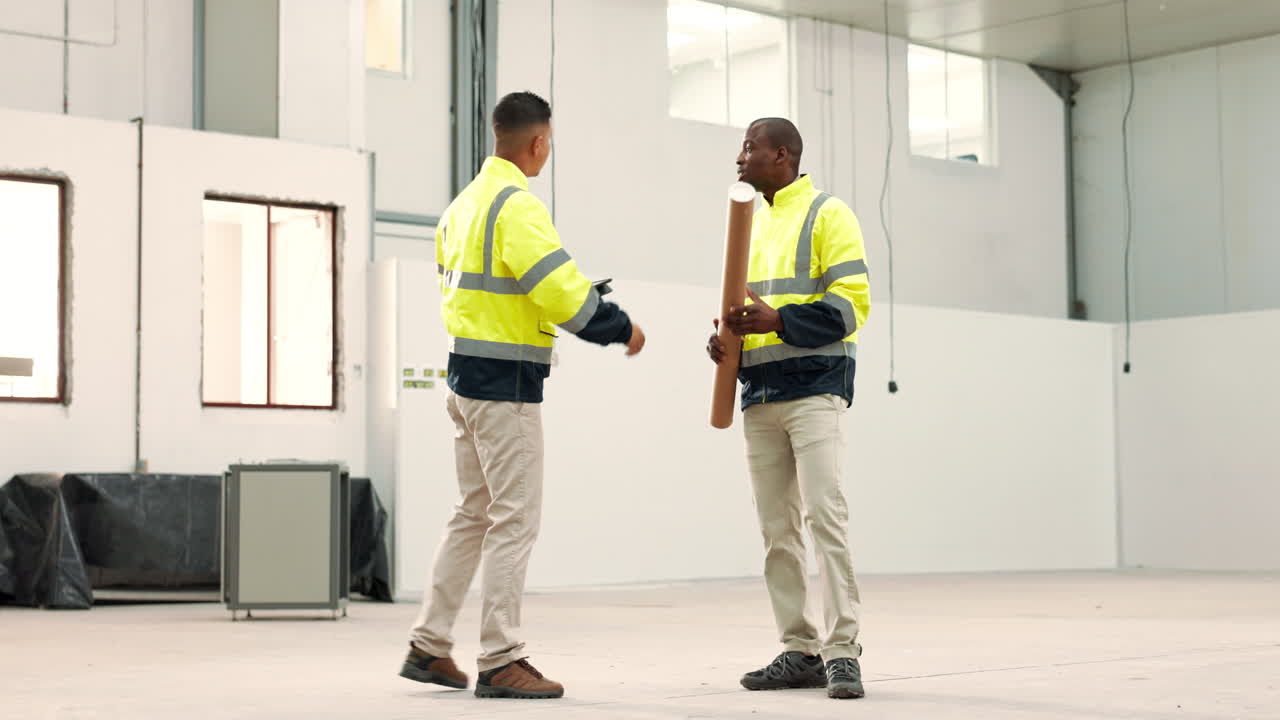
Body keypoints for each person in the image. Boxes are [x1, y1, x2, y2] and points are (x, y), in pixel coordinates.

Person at [399, 91, 645, 700]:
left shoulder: (461, 208)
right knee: (514, 520)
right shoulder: (518, 207)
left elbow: (492, 291)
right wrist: (621, 327)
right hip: (506, 390)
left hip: (464, 380)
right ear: (538, 142)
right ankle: (501, 656)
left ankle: (429, 644)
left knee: (473, 514)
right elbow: (561, 293)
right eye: (550, 143)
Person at [707, 117, 871, 700]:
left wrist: (779, 320)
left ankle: (843, 649)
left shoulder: (830, 214)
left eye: (748, 148)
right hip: (759, 392)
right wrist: (726, 343)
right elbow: (740, 309)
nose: (739, 158)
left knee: (825, 516)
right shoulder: (745, 225)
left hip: (815, 387)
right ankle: (799, 648)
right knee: (778, 529)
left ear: (783, 155)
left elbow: (853, 305)